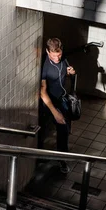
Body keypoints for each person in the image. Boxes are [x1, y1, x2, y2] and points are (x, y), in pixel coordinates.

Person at [39, 38, 76, 173]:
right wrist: (55, 112)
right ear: (48, 52)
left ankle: (62, 160)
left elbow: (63, 71)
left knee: (63, 130)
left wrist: (71, 72)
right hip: (48, 102)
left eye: (59, 55)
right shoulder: (44, 65)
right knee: (42, 129)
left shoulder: (63, 58)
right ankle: (38, 157)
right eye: (54, 55)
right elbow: (42, 91)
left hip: (61, 99)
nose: (57, 58)